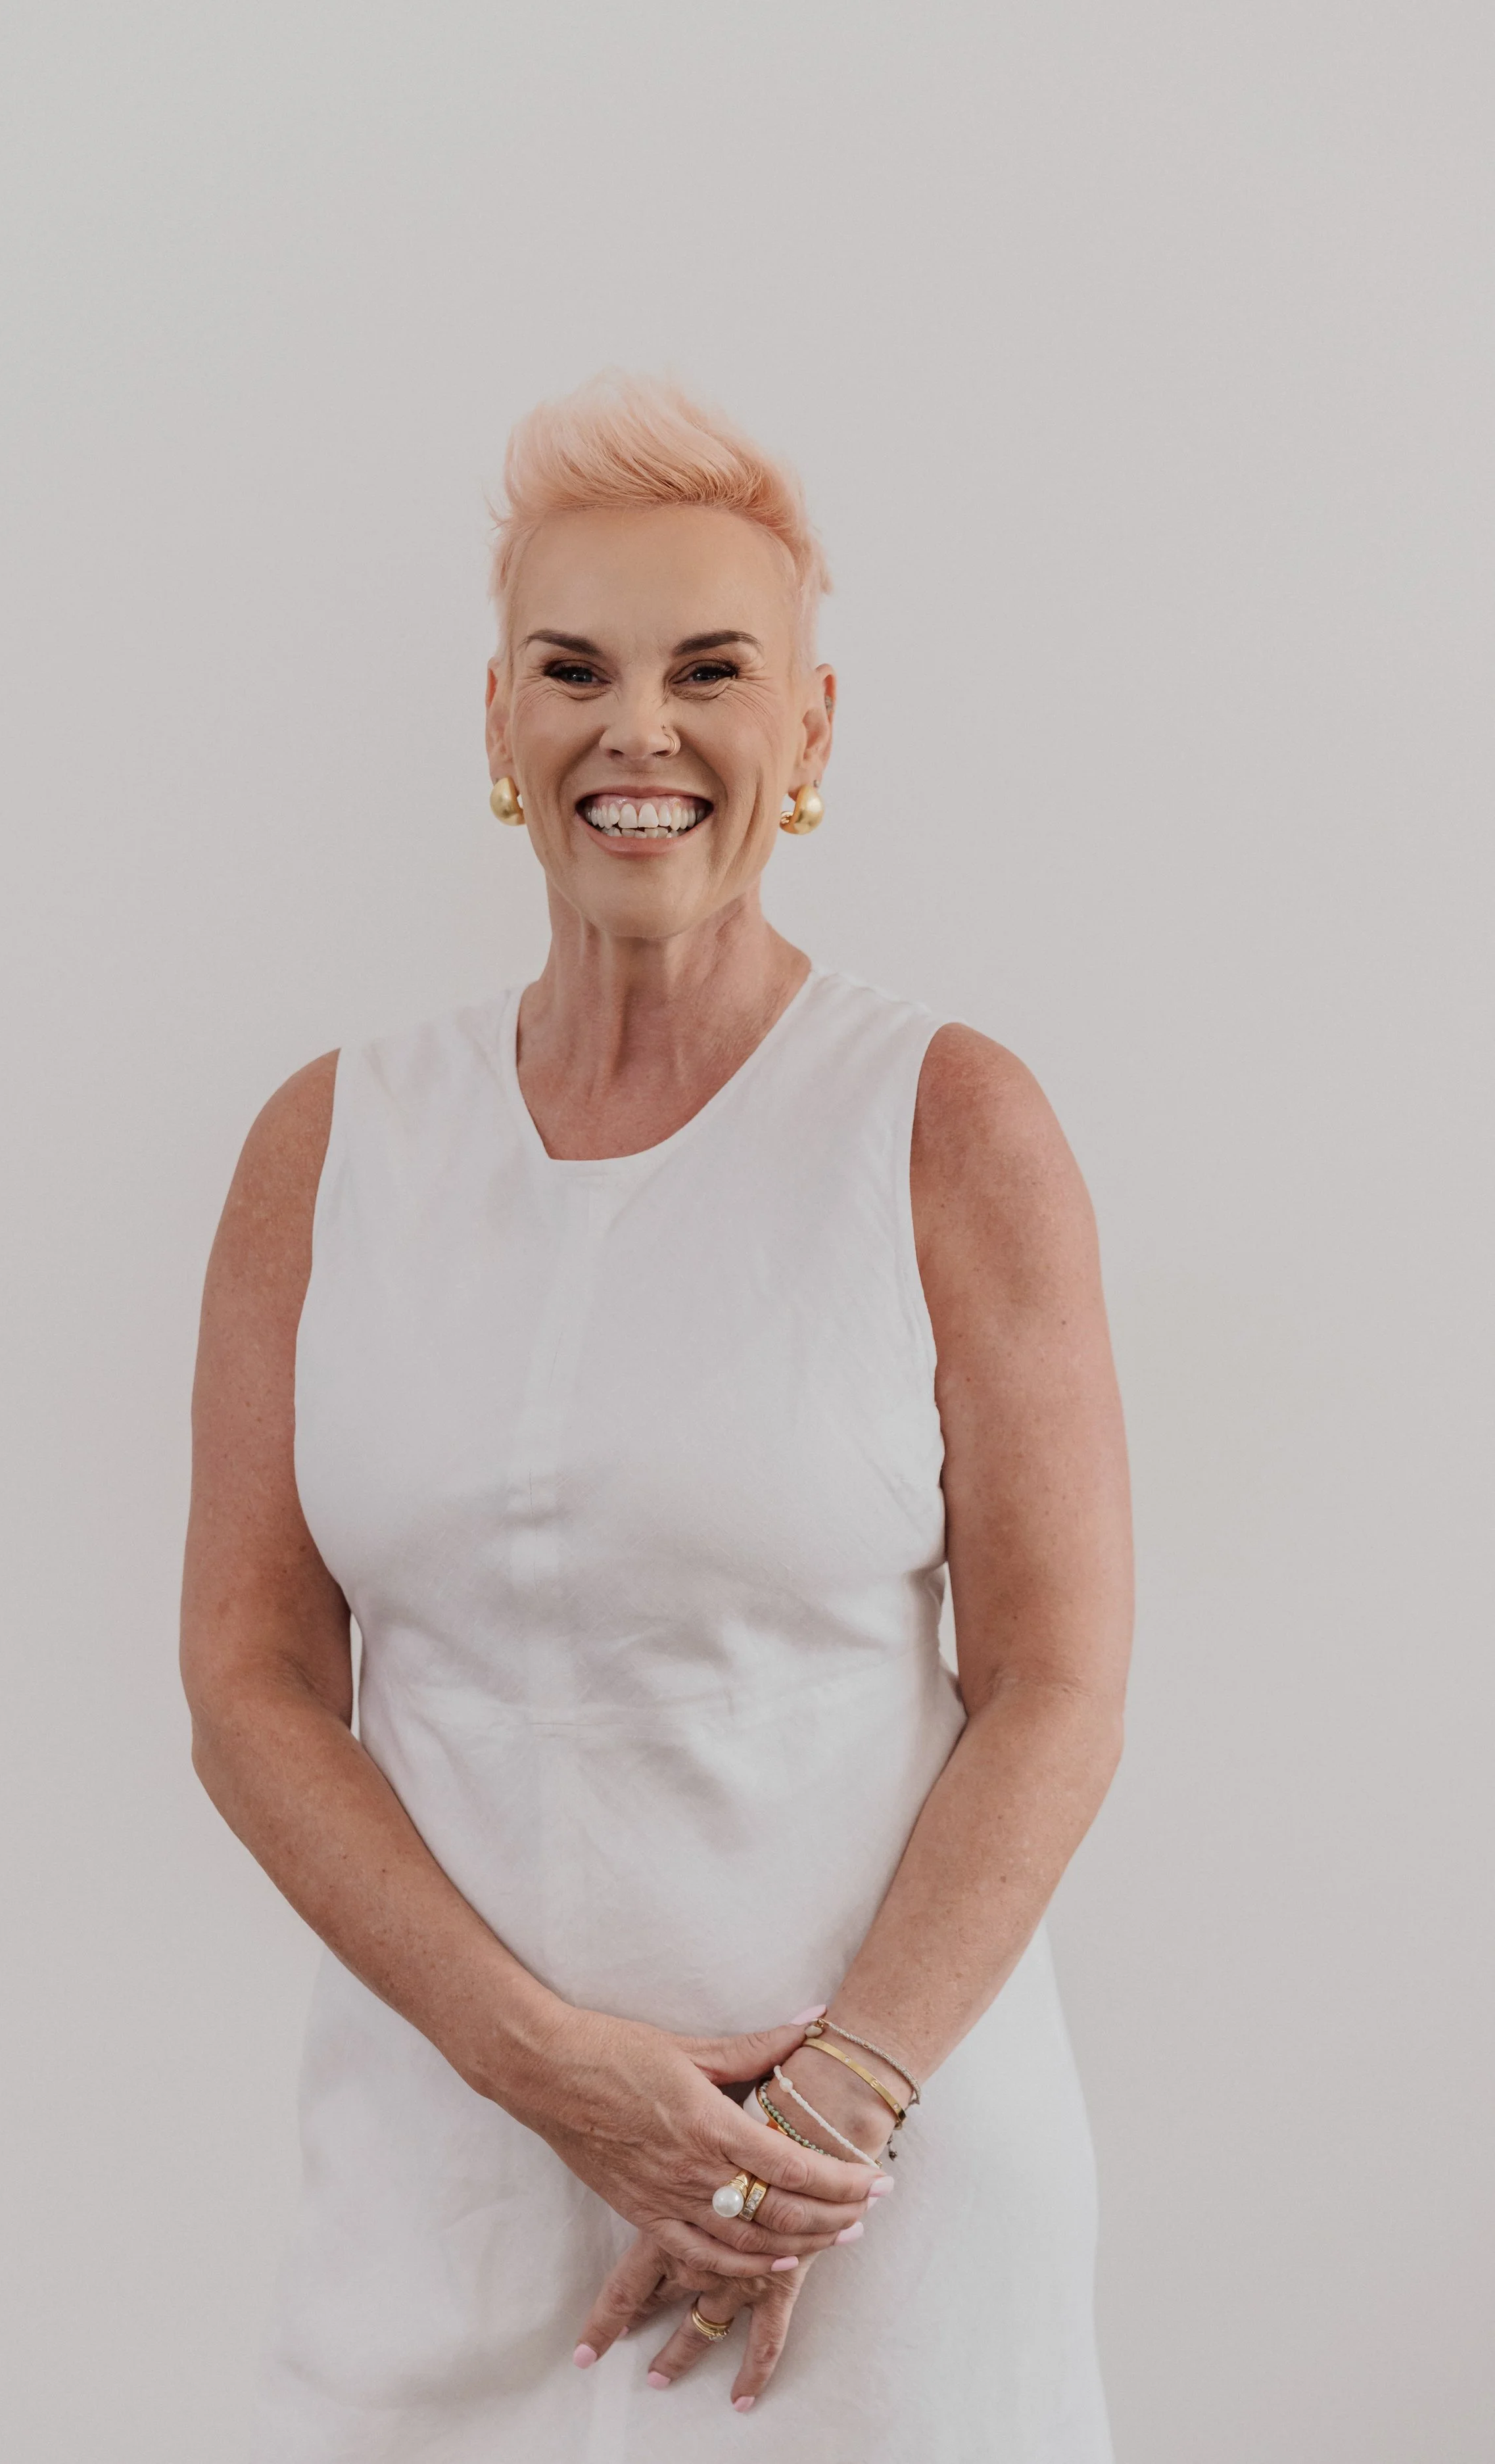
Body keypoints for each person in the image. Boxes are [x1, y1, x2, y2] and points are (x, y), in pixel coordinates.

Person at [180, 371, 1133, 2462]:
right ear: (496, 720)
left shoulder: (946, 1123)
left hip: (864, 2214)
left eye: (711, 670)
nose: (639, 729)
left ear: (809, 729)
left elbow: (1056, 1677)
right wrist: (538, 2063)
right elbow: (251, 1682)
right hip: (441, 2189)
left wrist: (831, 2108)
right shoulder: (329, 1147)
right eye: (573, 670)